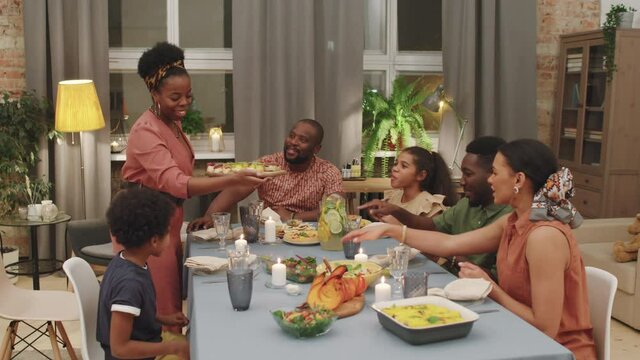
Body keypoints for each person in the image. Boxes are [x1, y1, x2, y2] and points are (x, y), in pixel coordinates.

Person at [344, 139, 596, 359]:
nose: (490, 179)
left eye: (495, 173)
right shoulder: (514, 220)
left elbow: (545, 329)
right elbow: (450, 243)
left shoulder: (544, 236)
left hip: (551, 351)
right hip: (515, 331)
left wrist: (490, 287)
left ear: (518, 179)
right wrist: (391, 231)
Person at [120, 41, 266, 331]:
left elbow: (179, 172)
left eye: (188, 95)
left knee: (174, 298)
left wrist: (221, 181)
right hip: (145, 226)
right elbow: (174, 182)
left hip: (168, 220)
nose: (184, 103)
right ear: (154, 94)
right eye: (175, 97)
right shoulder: (145, 130)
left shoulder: (172, 123)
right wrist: (234, 178)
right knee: (163, 309)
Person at [361, 136, 512, 278]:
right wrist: (394, 210)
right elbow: (433, 225)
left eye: (468, 174)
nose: (462, 182)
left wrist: (448, 252)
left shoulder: (509, 219)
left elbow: (496, 280)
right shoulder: (466, 204)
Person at [188, 119, 343, 230]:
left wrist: (293, 216)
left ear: (316, 149)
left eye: (302, 140)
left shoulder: (328, 171)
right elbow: (234, 191)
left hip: (307, 233)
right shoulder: (268, 165)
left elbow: (335, 209)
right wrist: (209, 216)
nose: (293, 142)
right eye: (291, 136)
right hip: (268, 231)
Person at [98, 188, 189, 360]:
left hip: (150, 343)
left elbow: (135, 312)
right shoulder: (129, 284)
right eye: (168, 232)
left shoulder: (127, 262)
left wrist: (164, 319)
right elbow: (119, 348)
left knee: (192, 345)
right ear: (154, 241)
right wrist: (170, 347)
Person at [360, 146, 455, 221]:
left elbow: (433, 240)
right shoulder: (394, 197)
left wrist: (397, 227)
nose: (394, 168)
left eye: (404, 166)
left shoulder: (429, 205)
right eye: (396, 164)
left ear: (421, 175)